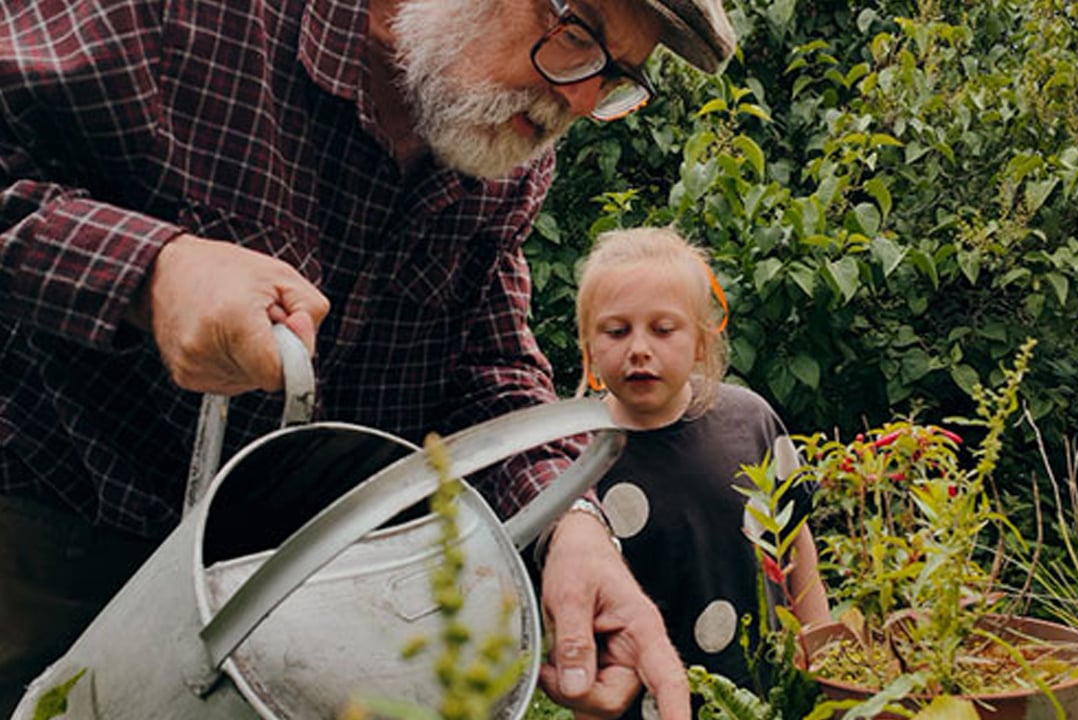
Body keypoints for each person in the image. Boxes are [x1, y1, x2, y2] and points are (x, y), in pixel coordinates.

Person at [0, 0, 739, 716]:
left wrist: (569, 526)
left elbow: (482, 365)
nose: (577, 99)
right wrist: (153, 272)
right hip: (48, 549)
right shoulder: (190, 19)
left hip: (296, 610)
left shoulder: (503, 148)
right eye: (576, 29)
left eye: (614, 76)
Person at [573, 227, 830, 718]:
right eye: (616, 330)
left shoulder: (750, 421)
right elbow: (583, 620)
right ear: (588, 345)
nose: (639, 349)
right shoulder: (576, 457)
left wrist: (822, 662)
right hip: (641, 707)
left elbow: (798, 548)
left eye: (663, 329)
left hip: (763, 696)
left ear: (700, 342)